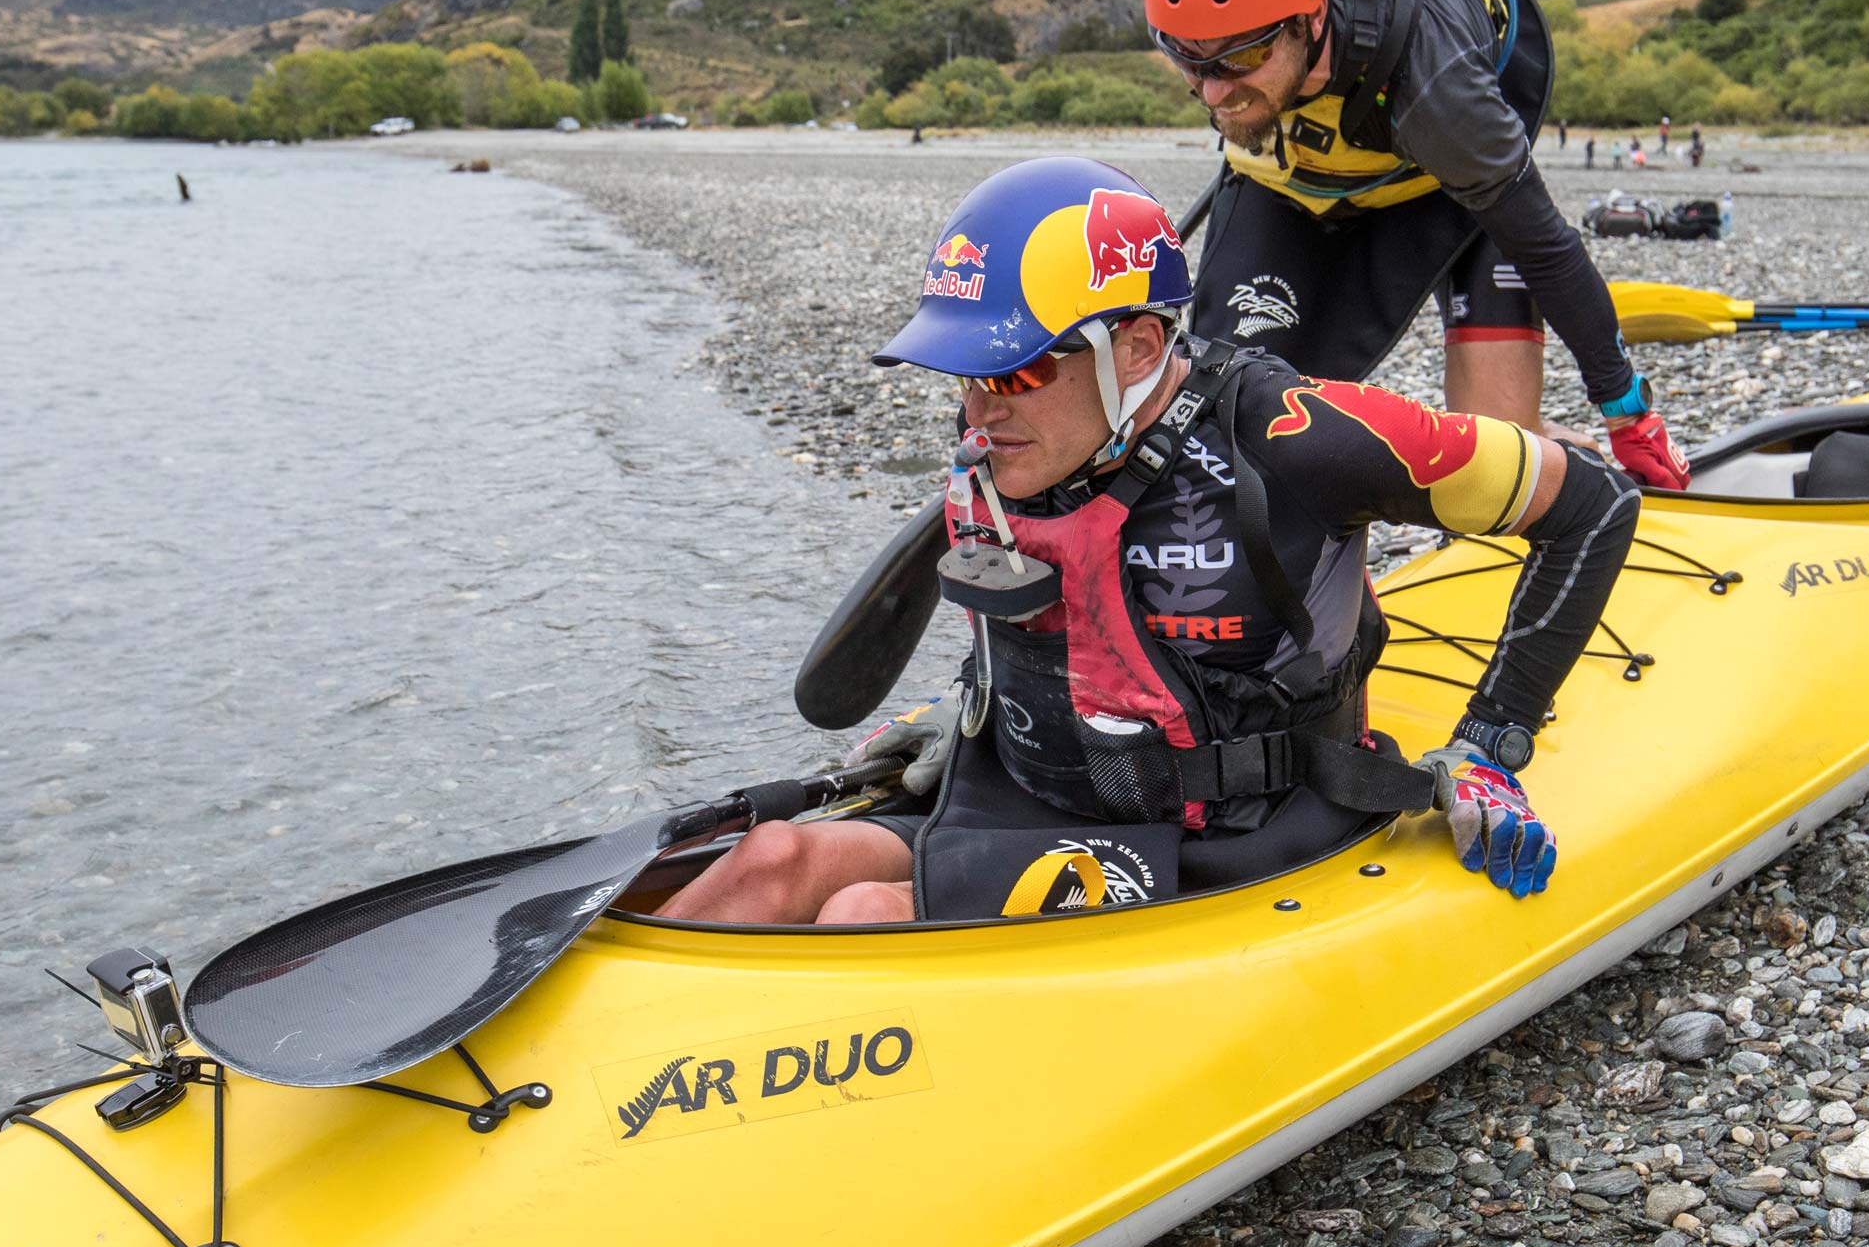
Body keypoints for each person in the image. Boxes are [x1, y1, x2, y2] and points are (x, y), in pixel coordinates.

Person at [659, 158, 1638, 925]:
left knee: (868, 912)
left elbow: (1592, 502)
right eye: (961, 372)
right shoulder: (1016, 439)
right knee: (773, 862)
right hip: (1028, 798)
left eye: (1010, 373)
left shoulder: (1297, 435)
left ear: (1133, 348)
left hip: (1232, 838)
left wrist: (1491, 744)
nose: (974, 410)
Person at [1138, 0, 1688, 489]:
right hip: (1291, 180)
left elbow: (1545, 245)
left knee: (1497, 459)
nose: (1211, 93)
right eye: (1186, 58)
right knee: (1226, 435)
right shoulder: (1242, 17)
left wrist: (1628, 409)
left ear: (1312, 15)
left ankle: (1581, 479)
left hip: (1443, 177)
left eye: (1243, 57)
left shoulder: (1439, 84)